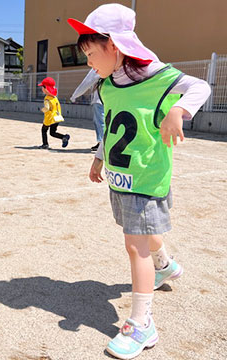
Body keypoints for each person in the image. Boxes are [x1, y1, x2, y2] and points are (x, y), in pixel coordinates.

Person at [68, 4, 211, 359]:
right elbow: (114, 126)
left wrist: (178, 110)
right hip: (121, 177)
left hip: (146, 177)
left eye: (90, 53)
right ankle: (166, 266)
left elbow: (201, 86)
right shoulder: (109, 86)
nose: (88, 62)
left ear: (114, 46)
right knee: (143, 234)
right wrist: (100, 155)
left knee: (135, 246)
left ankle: (142, 323)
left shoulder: (159, 78)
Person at [70, 68, 104, 151]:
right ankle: (104, 144)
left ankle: (102, 144)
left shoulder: (98, 66)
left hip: (99, 99)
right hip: (111, 99)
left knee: (100, 122)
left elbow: (87, 82)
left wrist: (74, 96)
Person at [37, 77, 70, 149]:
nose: (42, 89)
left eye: (42, 87)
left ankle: (45, 144)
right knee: (52, 132)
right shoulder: (54, 97)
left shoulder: (47, 99)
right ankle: (64, 137)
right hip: (57, 117)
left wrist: (41, 110)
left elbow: (47, 108)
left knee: (44, 130)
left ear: (46, 88)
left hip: (50, 118)